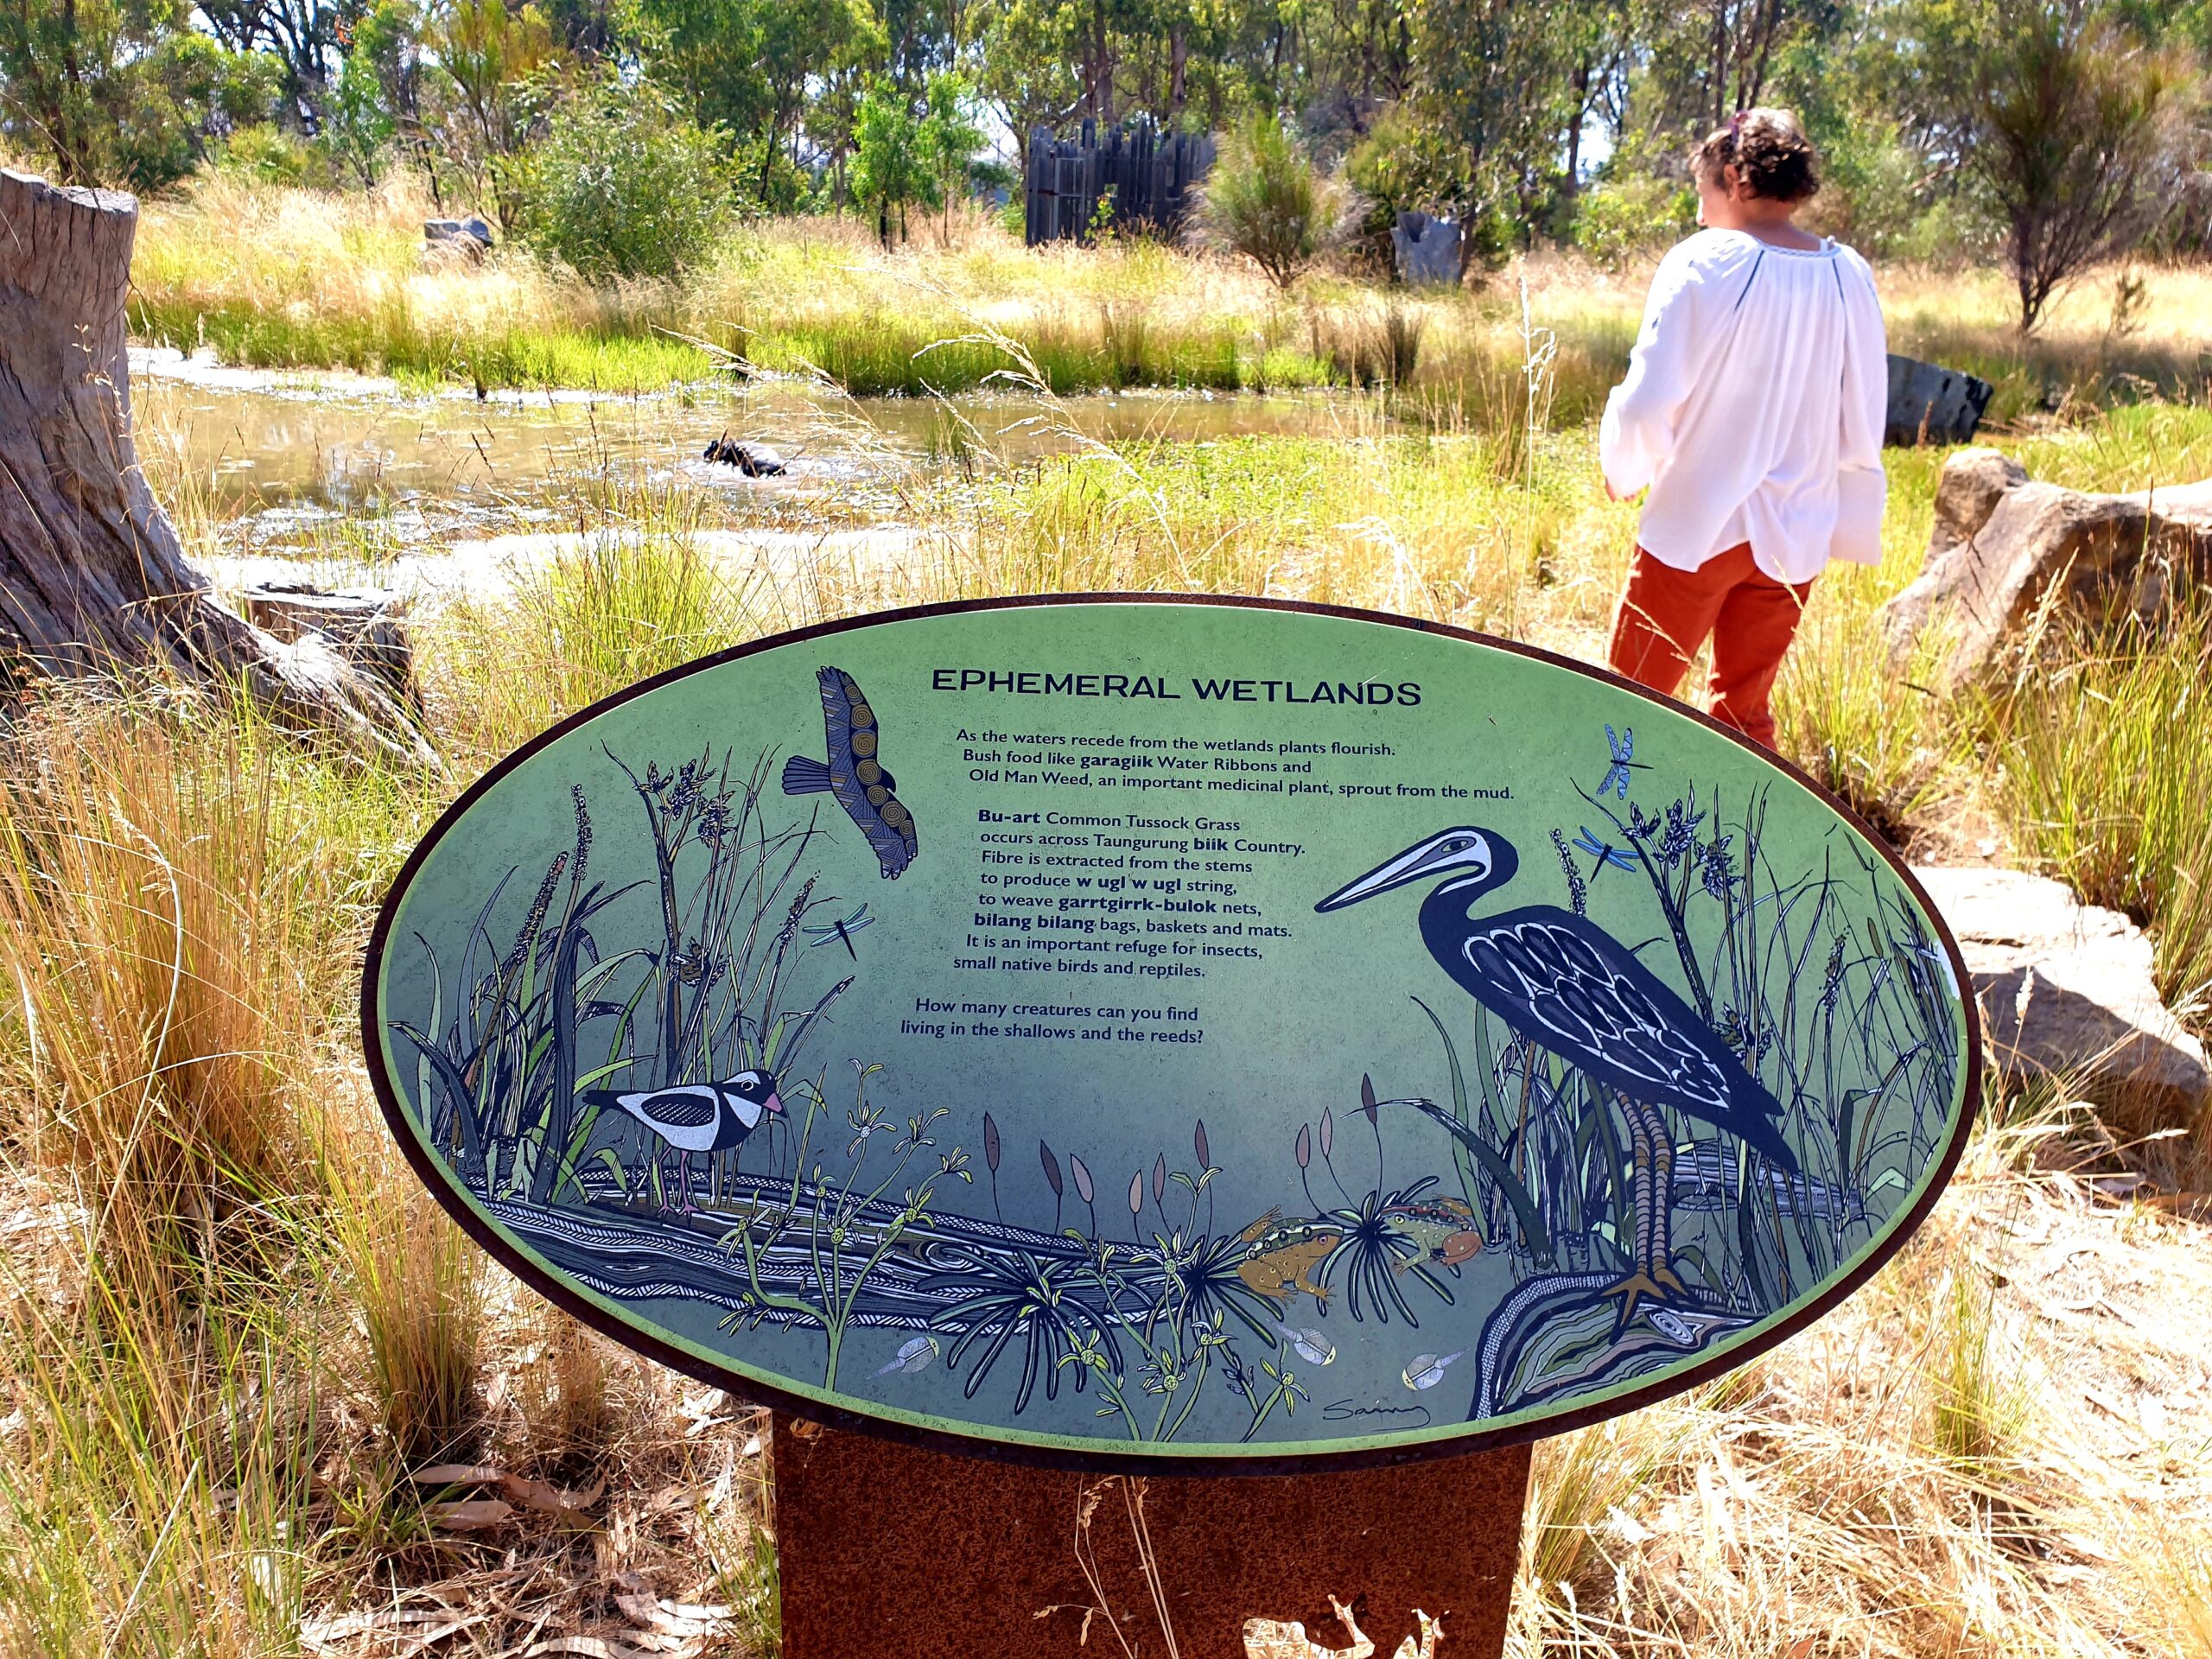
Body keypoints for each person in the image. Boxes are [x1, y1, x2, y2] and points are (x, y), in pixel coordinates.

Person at [1599, 107, 1887, 750]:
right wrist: (1846, 507)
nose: (1700, 213)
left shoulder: (1705, 262)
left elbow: (1650, 395)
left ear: (1735, 178)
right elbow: (1865, 406)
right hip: (1797, 533)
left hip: (1696, 527)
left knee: (1623, 707)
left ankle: (1595, 839)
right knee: (1744, 720)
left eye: (1704, 193)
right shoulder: (1849, 275)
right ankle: (1739, 845)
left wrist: (1624, 466)